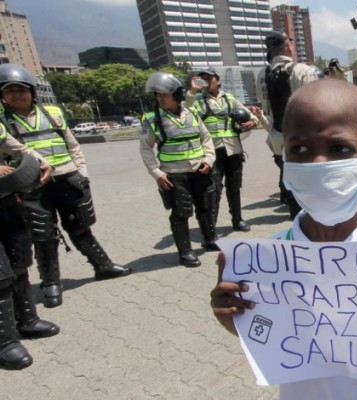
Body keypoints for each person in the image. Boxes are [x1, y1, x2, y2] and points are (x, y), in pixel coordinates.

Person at [210, 79, 357, 399]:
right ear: (284, 159)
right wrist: (233, 319)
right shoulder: (267, 259)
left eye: (339, 148)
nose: (318, 163)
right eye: (300, 149)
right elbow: (266, 336)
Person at [0, 64, 131, 308]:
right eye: (10, 91)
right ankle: (51, 284)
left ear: (31, 91)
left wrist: (82, 174)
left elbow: (73, 145)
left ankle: (103, 266)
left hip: (67, 178)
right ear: (3, 96)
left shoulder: (52, 113)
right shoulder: (2, 122)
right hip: (33, 186)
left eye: (21, 89)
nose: (17, 95)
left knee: (80, 226)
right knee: (44, 236)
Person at [140, 72, 216, 267]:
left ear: (176, 94)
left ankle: (210, 239)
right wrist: (157, 173)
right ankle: (186, 252)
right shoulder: (152, 119)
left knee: (206, 206)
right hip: (174, 174)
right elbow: (146, 149)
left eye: (164, 94)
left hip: (200, 169)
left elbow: (206, 139)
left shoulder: (192, 113)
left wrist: (209, 159)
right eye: (157, 95)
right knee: (181, 213)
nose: (160, 99)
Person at [0, 128, 60, 369]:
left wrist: (42, 162)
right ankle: (5, 342)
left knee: (19, 262)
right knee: (1, 276)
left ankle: (27, 320)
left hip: (5, 200)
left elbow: (18, 148)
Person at [255, 30, 319, 219]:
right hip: (304, 140)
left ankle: (297, 223)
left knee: (290, 185)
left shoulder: (262, 74)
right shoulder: (303, 71)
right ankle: (313, 225)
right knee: (310, 187)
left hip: (278, 139)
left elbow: (264, 104)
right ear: (288, 46)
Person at [188, 68, 257, 233]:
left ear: (217, 80)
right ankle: (211, 227)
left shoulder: (230, 98)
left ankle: (237, 219)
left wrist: (252, 122)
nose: (205, 81)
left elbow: (249, 115)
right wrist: (192, 91)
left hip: (233, 149)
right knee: (214, 190)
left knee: (234, 187)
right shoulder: (197, 100)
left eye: (209, 78)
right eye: (202, 79)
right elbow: (187, 112)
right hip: (212, 152)